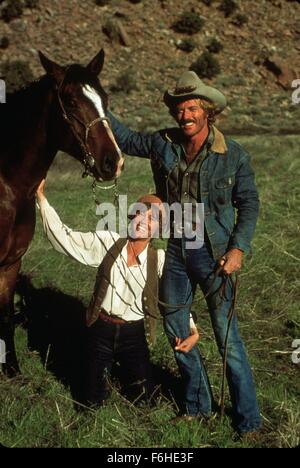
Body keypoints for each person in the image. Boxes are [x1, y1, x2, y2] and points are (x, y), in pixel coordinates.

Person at [107, 70, 262, 434]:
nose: (185, 116)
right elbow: (127, 139)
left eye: (192, 108)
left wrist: (238, 247)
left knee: (227, 339)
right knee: (177, 329)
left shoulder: (232, 154)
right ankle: (197, 405)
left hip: (216, 255)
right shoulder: (164, 143)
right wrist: (98, 103)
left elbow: (250, 204)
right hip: (177, 251)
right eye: (180, 110)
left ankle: (249, 421)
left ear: (208, 111)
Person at [36, 181, 199, 408]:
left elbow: (174, 299)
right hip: (100, 329)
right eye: (141, 213)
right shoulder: (108, 242)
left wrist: (193, 330)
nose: (144, 221)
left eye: (153, 219)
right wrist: (41, 198)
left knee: (145, 401)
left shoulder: (159, 259)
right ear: (132, 216)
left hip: (133, 335)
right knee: (91, 402)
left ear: (158, 229)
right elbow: (64, 238)